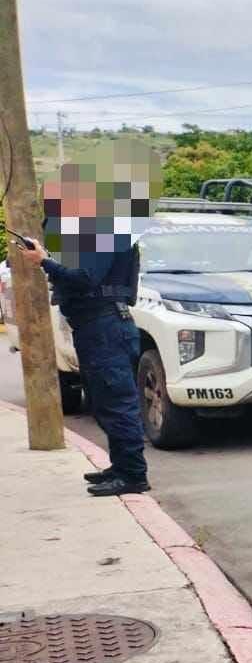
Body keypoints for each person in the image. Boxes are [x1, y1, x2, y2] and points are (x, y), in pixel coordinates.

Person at [16, 180, 148, 496]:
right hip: (96, 327)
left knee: (117, 403)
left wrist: (44, 261)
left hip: (106, 327)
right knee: (104, 402)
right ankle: (121, 467)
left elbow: (84, 279)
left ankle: (132, 475)